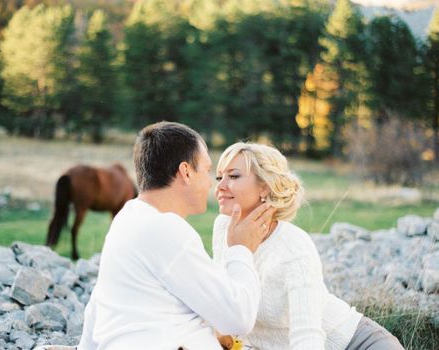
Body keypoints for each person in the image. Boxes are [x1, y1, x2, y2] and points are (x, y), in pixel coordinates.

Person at [77, 122, 275, 350]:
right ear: (186, 172)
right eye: (207, 171)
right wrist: (241, 249)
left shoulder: (128, 217)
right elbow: (239, 318)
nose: (212, 183)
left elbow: (98, 303)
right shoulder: (166, 230)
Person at [213, 142, 405, 350]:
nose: (220, 186)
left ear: (265, 186)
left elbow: (308, 338)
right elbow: (227, 305)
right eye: (219, 177)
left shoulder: (292, 245)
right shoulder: (223, 227)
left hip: (353, 344)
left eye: (233, 176)